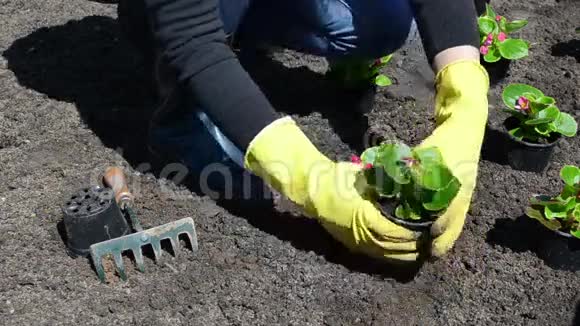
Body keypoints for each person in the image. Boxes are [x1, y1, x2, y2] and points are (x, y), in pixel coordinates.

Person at [117, 0, 490, 262]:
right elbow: (192, 42)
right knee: (203, 41)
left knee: (382, 18)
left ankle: (236, 28)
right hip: (174, 18)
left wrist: (465, 103)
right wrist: (311, 179)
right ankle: (180, 127)